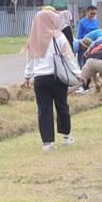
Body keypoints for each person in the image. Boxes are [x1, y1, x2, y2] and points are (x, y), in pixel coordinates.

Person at [22, 9, 81, 152]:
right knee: (62, 106)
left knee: (44, 110)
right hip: (57, 77)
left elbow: (30, 61)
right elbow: (69, 56)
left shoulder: (33, 38)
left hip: (40, 79)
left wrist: (27, 77)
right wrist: (78, 73)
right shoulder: (58, 36)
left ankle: (47, 143)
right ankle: (66, 137)